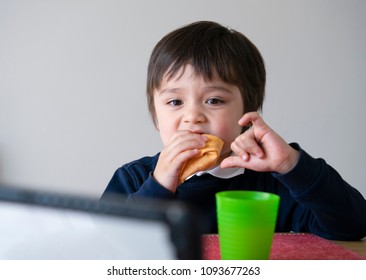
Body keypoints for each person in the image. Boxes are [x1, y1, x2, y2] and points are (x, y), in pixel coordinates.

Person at [102, 21, 366, 241]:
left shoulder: (272, 184)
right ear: (156, 115)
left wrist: (290, 164)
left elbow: (352, 226)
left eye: (214, 100)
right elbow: (105, 246)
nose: (193, 117)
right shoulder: (134, 179)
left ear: (246, 113)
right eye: (175, 102)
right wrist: (158, 186)